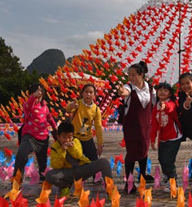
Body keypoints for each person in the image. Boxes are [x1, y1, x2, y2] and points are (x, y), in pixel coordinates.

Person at [117, 61, 156, 194]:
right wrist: (121, 91)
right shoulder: (128, 87)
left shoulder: (150, 88)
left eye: (134, 75)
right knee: (132, 152)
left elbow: (156, 102)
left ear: (142, 75)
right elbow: (124, 92)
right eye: (129, 75)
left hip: (146, 125)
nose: (131, 78)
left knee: (144, 149)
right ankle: (129, 182)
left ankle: (143, 175)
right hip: (132, 126)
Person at [46, 122, 112, 197]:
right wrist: (62, 150)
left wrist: (71, 147)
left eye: (70, 137)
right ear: (58, 137)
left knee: (104, 162)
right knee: (49, 176)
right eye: (64, 137)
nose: (67, 140)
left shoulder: (76, 141)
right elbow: (56, 166)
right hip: (67, 173)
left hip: (81, 169)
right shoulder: (55, 147)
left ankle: (110, 190)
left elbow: (78, 155)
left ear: (73, 135)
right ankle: (66, 186)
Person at [13, 83, 57, 183]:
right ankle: (16, 182)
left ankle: (42, 179)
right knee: (21, 156)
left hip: (43, 138)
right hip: (29, 137)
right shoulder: (28, 105)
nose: (37, 95)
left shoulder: (45, 107)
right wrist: (34, 97)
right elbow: (29, 105)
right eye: (34, 93)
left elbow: (50, 118)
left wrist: (55, 129)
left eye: (40, 92)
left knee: (43, 162)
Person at [150, 82, 182, 187]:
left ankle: (173, 181)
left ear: (169, 94)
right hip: (162, 138)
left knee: (168, 160)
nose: (162, 92)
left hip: (174, 137)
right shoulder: (156, 106)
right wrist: (152, 139)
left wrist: (165, 106)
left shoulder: (171, 103)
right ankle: (167, 176)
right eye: (160, 90)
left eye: (165, 90)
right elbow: (154, 124)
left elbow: (171, 109)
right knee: (161, 159)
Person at [65, 83, 104, 161]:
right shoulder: (78, 103)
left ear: (94, 95)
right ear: (82, 93)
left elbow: (98, 127)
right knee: (74, 160)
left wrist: (100, 144)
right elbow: (68, 109)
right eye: (86, 92)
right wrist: (71, 105)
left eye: (91, 92)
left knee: (93, 161)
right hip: (75, 137)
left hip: (87, 138)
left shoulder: (96, 109)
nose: (88, 94)